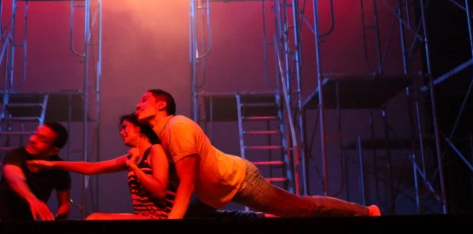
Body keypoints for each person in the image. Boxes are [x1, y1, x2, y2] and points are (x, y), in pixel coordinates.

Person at [135, 89, 382, 219]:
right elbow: (126, 162)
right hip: (216, 192)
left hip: (240, 181)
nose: (138, 104)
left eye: (144, 100)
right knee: (188, 213)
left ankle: (367, 212)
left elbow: (186, 184)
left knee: (303, 209)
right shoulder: (162, 139)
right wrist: (94, 167)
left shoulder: (177, 127)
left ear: (161, 105)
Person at [29, 113, 176, 220]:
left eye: (125, 127)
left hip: (159, 218)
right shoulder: (133, 158)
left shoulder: (155, 150)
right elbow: (91, 168)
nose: (121, 132)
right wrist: (52, 163)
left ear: (139, 128)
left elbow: (160, 191)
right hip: (142, 217)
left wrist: (134, 167)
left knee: (95, 219)